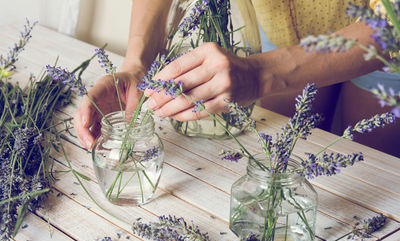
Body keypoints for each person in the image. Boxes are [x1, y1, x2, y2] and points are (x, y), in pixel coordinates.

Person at [74, 0, 400, 157]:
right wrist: (136, 64)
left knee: (365, 174)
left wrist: (261, 74)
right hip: (279, 32)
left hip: (383, 42)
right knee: (283, 163)